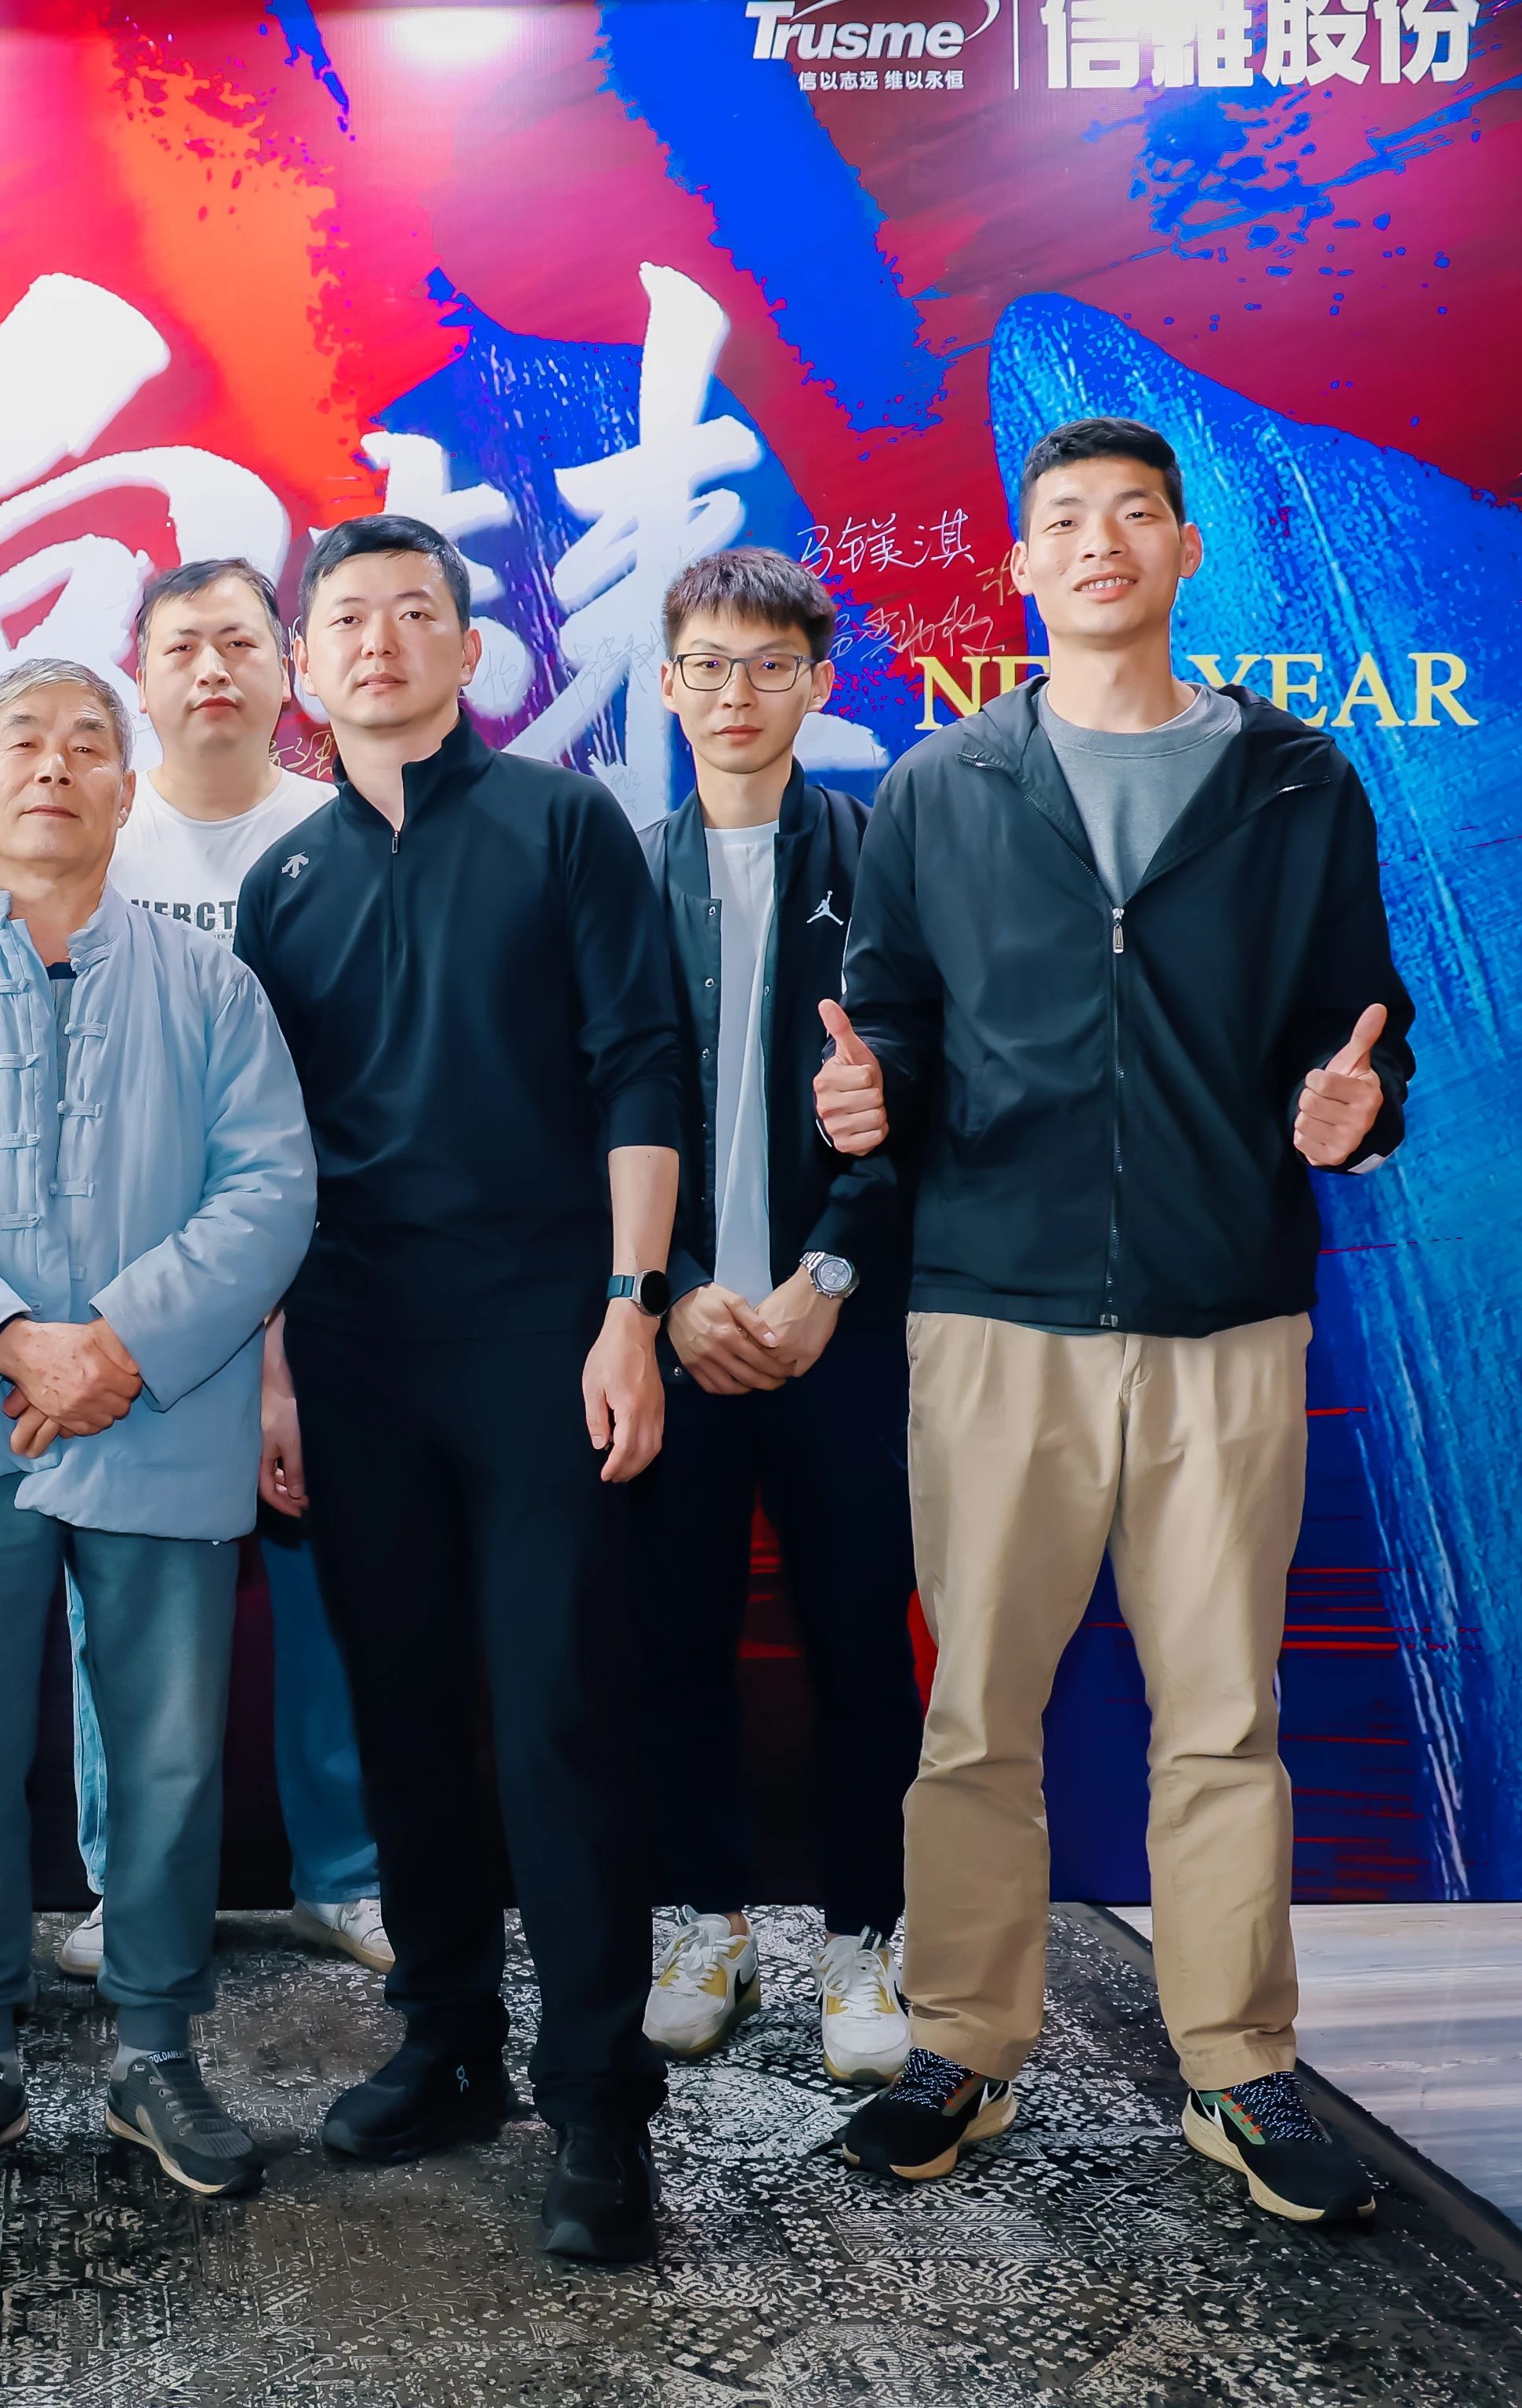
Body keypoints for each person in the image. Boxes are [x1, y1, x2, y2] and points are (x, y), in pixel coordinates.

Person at [821, 416, 1410, 2225]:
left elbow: (1363, 1023)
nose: (1099, 542)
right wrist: (864, 1097)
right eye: (1065, 518)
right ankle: (960, 2043)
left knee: (1224, 1714)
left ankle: (1239, 2067)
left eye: (1134, 514)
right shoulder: (941, 786)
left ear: (1183, 549)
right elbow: (890, 1020)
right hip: (993, 1310)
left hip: (1226, 1308)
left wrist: (1358, 1109)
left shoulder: (1296, 782)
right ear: (1021, 565)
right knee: (976, 1713)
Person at [233, 514, 690, 2265]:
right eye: (346, 617)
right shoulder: (284, 879)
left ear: (465, 646)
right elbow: (267, 1156)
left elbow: (639, 1064)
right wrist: (276, 1370)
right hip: (354, 1346)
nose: (380, 640)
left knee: (562, 1714)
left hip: (543, 1336)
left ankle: (599, 2101)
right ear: (305, 663)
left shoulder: (563, 823)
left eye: (414, 610)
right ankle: (447, 2044)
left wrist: (632, 1310)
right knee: (407, 1711)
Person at [0, 659, 313, 2203]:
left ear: (126, 786)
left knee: (169, 1761)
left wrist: (117, 1344)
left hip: (160, 1411)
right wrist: (15, 1342)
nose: (54, 766)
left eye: (88, 745)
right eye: (22, 743)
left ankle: (157, 2051)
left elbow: (271, 1187)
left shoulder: (211, 984)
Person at [56, 556, 389, 1996]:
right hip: (129, 1298)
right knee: (123, 1608)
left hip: (326, 1283)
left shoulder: (346, 833)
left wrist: (283, 1342)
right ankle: (133, 1884)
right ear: (138, 674)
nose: (212, 670)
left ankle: (349, 1875)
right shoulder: (95, 841)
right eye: (181, 645)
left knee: (339, 1589)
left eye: (241, 642)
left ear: (289, 668)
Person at [621, 547, 919, 2088]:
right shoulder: (620, 872)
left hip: (839, 1335)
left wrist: (828, 1280)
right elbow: (584, 1110)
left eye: (770, 664)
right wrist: (668, 1297)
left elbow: (932, 1093)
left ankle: (867, 1933)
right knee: (673, 1642)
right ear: (669, 685)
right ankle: (704, 1917)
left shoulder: (885, 862)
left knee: (863, 1644)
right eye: (708, 664)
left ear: (818, 683)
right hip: (675, 1337)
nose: (736, 693)